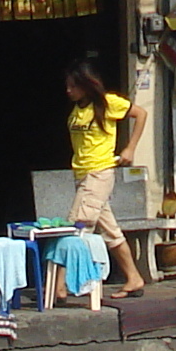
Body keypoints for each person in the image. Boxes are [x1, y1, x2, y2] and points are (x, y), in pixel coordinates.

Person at [62, 62, 149, 297]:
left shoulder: (107, 103)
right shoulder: (78, 110)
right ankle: (134, 277)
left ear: (85, 86)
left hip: (98, 173)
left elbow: (140, 113)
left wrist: (130, 148)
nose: (68, 91)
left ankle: (60, 285)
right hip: (81, 174)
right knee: (111, 231)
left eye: (73, 86)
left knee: (76, 227)